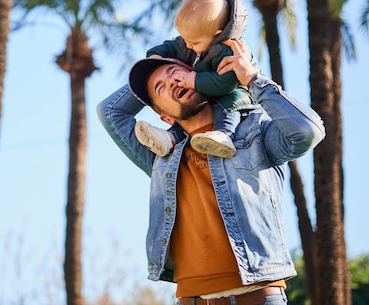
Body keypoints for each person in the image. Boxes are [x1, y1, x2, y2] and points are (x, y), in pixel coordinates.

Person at [96, 38, 325, 305]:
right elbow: (110, 111)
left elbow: (308, 132)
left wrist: (251, 79)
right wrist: (176, 52)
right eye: (160, 88)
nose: (171, 83)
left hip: (257, 297)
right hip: (191, 299)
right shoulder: (161, 155)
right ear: (164, 117)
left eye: (175, 74)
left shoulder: (254, 134)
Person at [135, 0, 259, 159]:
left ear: (216, 35)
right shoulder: (195, 37)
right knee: (182, 110)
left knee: (226, 107)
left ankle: (224, 134)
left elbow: (225, 84)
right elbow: (173, 46)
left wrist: (193, 80)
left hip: (234, 94)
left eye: (192, 42)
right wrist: (156, 55)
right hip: (207, 85)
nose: (188, 46)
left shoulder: (228, 50)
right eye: (184, 39)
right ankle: (171, 138)